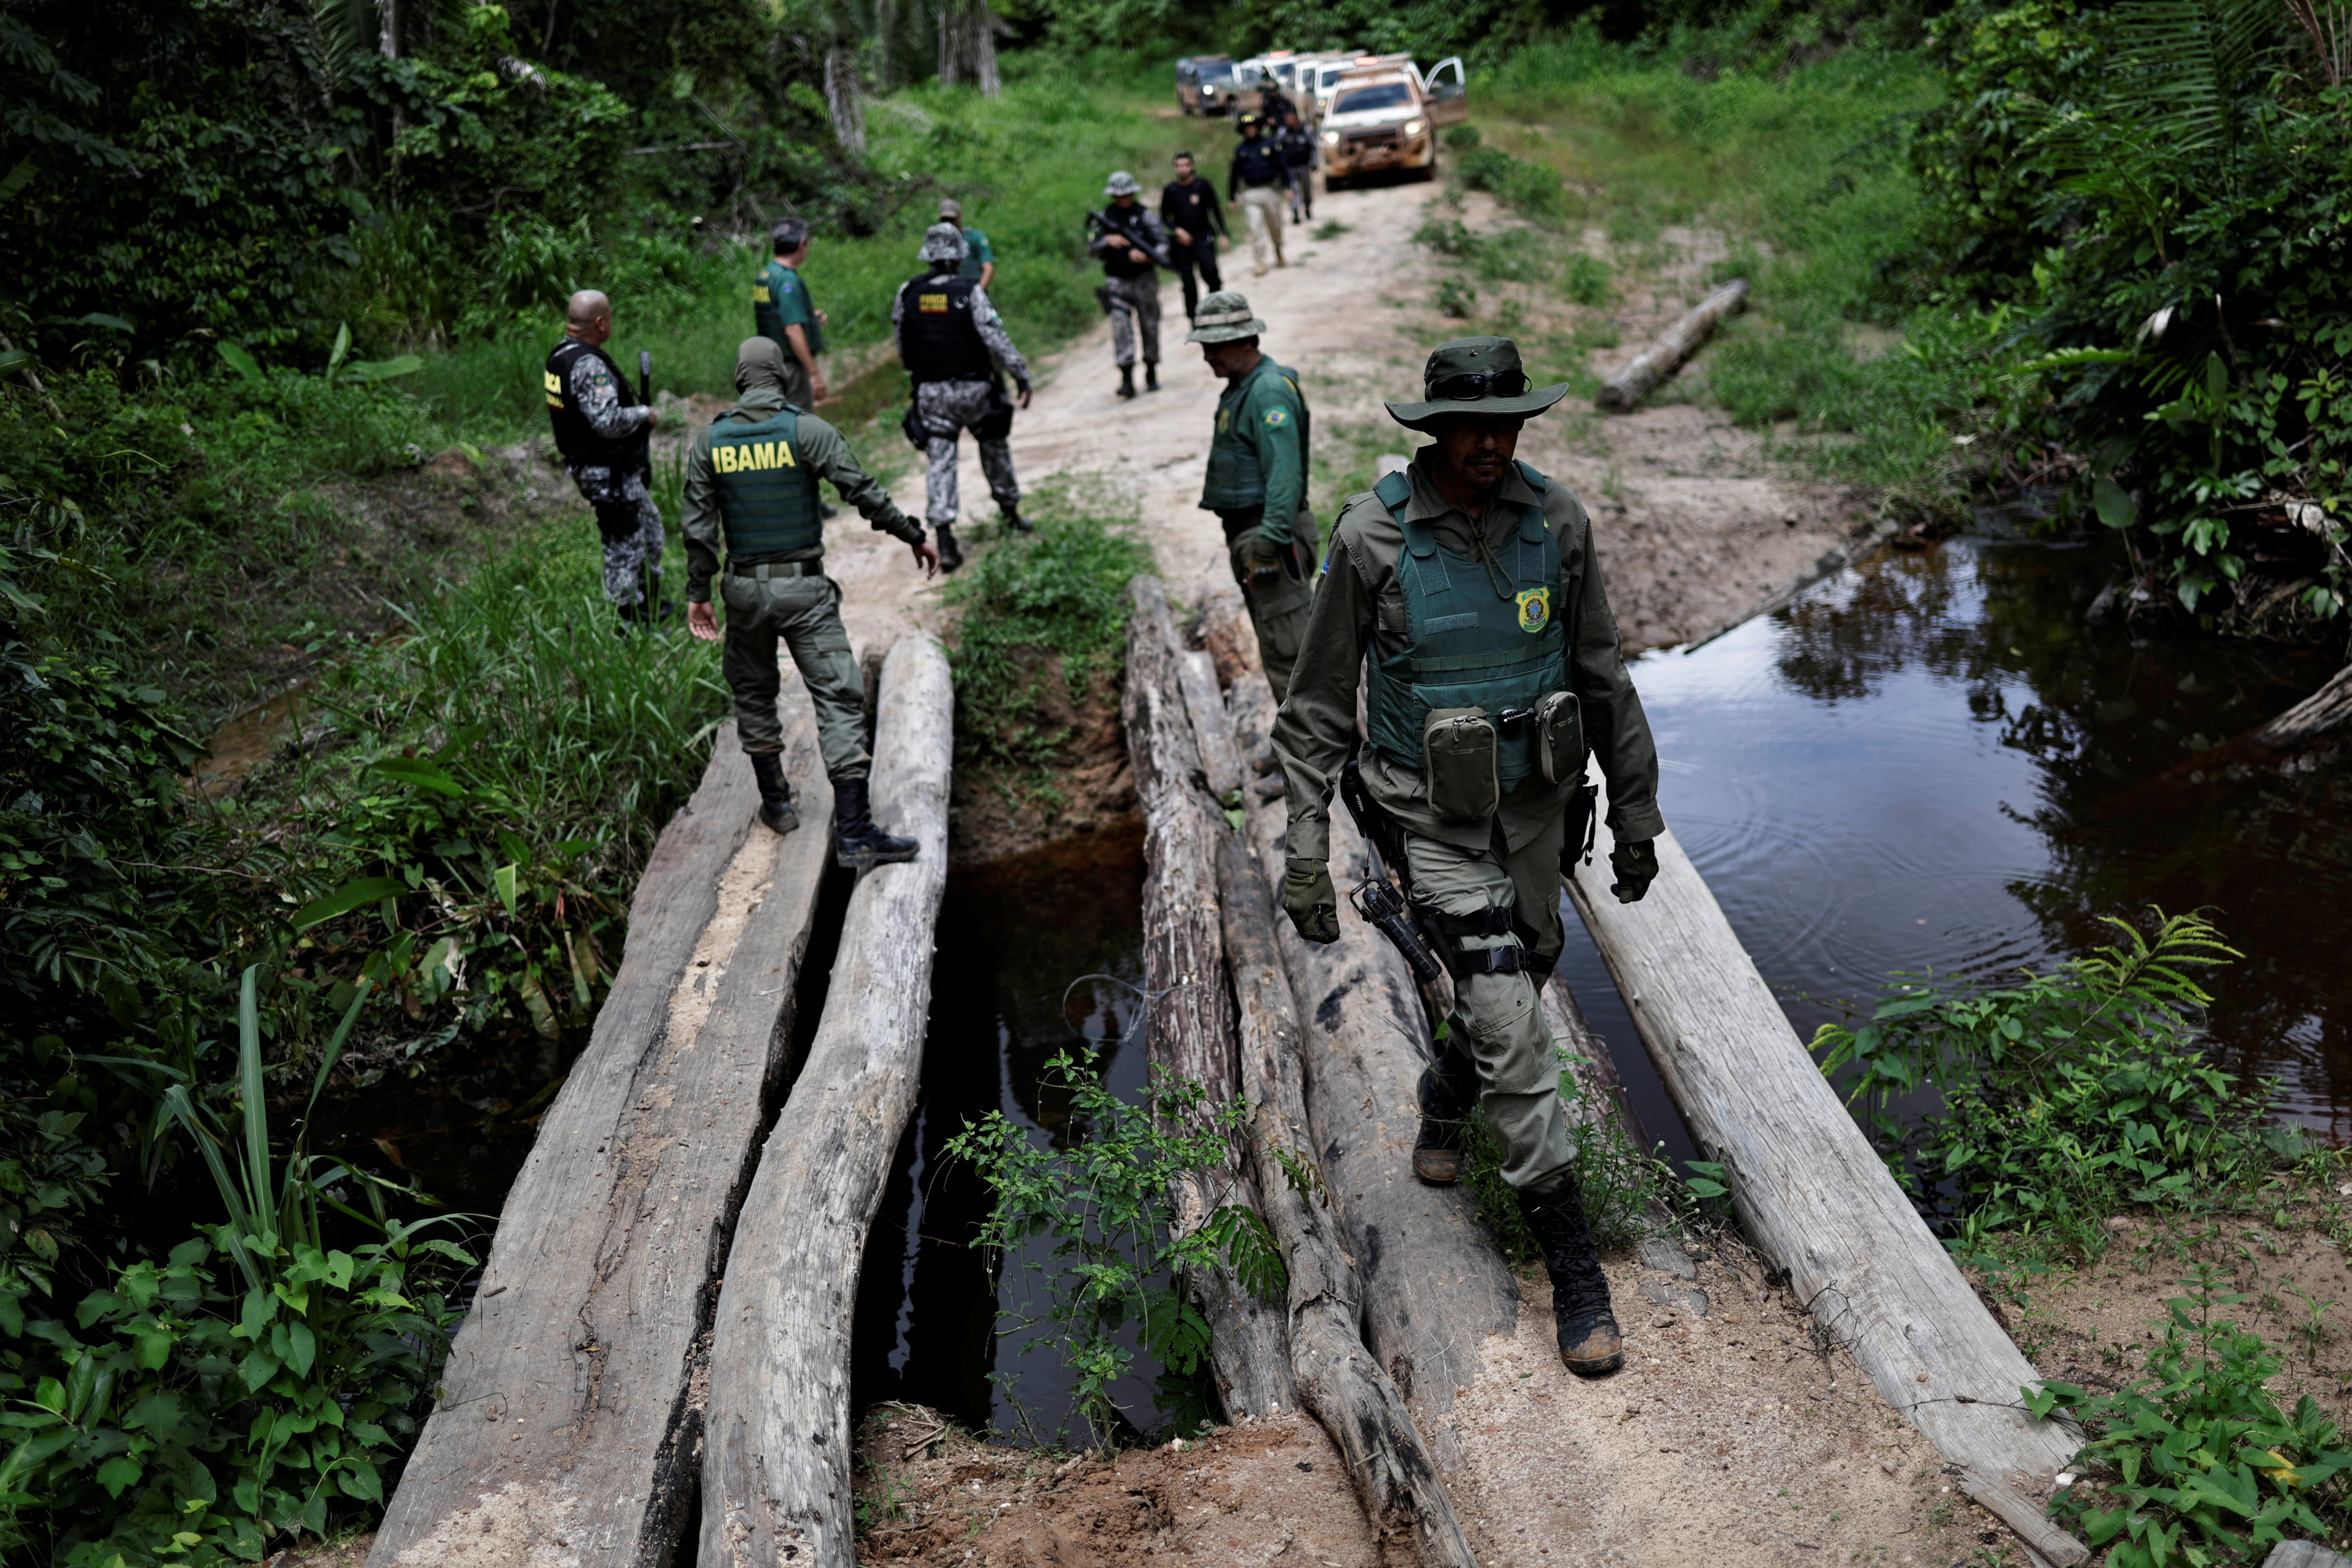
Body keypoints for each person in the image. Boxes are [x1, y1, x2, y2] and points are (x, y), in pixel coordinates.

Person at [1269, 337, 1666, 1380]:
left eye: (1507, 424)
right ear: (1434, 429)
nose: (1490, 443)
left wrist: (1635, 815)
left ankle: (1445, 1098)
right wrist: (1306, 848)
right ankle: (1578, 1271)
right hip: (1430, 819)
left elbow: (1605, 676)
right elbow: (1314, 707)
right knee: (1508, 1014)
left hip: (1538, 814)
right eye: (1470, 427)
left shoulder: (1559, 522)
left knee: (1526, 969)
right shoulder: (1371, 541)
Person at [683, 337, 940, 870]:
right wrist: (912, 534)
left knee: (754, 693)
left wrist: (698, 595)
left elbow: (699, 528)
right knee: (839, 697)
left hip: (744, 591)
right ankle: (854, 832)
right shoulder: (807, 430)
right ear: (779, 376)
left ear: (740, 378)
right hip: (803, 590)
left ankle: (777, 805)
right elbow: (862, 491)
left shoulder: (710, 442)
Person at [1187, 291, 1314, 703]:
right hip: (1255, 537)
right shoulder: (1244, 386)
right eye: (1205, 346)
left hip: (1269, 537)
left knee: (1292, 654)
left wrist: (1268, 543)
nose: (1208, 356)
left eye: (1217, 345)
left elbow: (1284, 475)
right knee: (1279, 648)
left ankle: (1333, 763)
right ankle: (1303, 755)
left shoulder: (1268, 391)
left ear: (1247, 340)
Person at [892, 223, 1033, 573]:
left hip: (932, 392)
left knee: (941, 460)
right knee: (995, 446)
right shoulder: (970, 290)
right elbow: (994, 337)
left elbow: (901, 341)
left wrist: (920, 376)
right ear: (957, 256)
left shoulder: (909, 292)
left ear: (928, 255)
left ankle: (945, 539)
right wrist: (1020, 374)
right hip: (975, 390)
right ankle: (1010, 513)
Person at [544, 288, 667, 627]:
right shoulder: (586, 364)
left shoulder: (560, 356)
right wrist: (645, 414)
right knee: (623, 546)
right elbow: (608, 422)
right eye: (610, 316)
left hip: (606, 468)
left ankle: (650, 601)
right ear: (600, 323)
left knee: (650, 528)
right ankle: (629, 622)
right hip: (605, 472)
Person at [1086, 171, 1171, 400]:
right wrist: (1107, 242)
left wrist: (1147, 256)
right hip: (1117, 280)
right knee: (1121, 328)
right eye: (1119, 196)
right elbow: (1091, 247)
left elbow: (1163, 243)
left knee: (1150, 325)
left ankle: (1152, 369)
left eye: (1127, 195)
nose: (1123, 200)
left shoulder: (1144, 216)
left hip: (1144, 279)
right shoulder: (1104, 218)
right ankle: (1126, 378)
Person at [753, 218, 829, 410]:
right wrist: (814, 374)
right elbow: (793, 329)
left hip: (770, 364)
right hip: (791, 368)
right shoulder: (788, 280)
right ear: (802, 244)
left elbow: (775, 315)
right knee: (798, 423)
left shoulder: (766, 275)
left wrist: (810, 318)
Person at [1160, 151, 1229, 323]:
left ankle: (1217, 310)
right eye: (1179, 166)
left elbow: (1216, 210)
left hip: (1203, 236)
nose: (1183, 169)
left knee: (1211, 273)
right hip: (1182, 242)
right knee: (1188, 283)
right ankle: (1195, 320)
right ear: (1175, 168)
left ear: (1192, 166)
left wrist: (1224, 234)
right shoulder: (1171, 190)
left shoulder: (1203, 185)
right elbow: (1164, 217)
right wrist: (1177, 231)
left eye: (1186, 165)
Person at [1228, 114, 1293, 277]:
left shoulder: (1270, 144)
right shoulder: (1240, 150)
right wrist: (1231, 198)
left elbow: (1283, 167)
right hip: (1250, 193)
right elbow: (1233, 175)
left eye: (1253, 127)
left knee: (1276, 225)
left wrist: (1288, 187)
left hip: (1270, 190)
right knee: (1255, 227)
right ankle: (1260, 261)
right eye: (1247, 128)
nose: (1250, 130)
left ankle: (1278, 250)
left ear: (1258, 128)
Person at [937, 197, 994, 291]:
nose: (948, 223)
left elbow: (988, 268)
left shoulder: (974, 237)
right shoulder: (939, 240)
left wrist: (978, 293)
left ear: (959, 217)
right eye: (945, 220)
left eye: (951, 219)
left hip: (972, 287)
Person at [1277, 106, 1316, 223]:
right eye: (1287, 118)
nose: (1289, 120)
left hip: (1304, 165)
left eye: (1290, 118)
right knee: (1295, 189)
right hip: (1290, 167)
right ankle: (1295, 213)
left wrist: (1314, 163)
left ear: (1295, 118)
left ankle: (1308, 208)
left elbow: (1314, 147)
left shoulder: (1306, 130)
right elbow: (1277, 150)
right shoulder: (1283, 133)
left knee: (1307, 189)